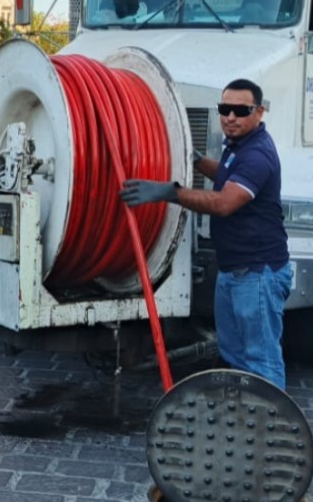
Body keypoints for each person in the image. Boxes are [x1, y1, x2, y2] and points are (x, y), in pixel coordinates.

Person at [120, 78, 293, 389]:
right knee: (235, 355)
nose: (230, 117)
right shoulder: (238, 147)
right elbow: (228, 175)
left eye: (240, 110)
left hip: (257, 274)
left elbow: (225, 202)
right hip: (235, 271)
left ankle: (272, 428)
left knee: (261, 360)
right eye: (225, 109)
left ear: (259, 112)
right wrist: (198, 160)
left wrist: (169, 192)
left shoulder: (257, 155)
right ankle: (245, 420)